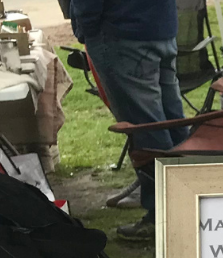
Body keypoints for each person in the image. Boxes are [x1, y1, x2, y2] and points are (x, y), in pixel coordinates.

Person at [69, 0, 185, 242]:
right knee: (171, 123)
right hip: (159, 27)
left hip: (123, 33)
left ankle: (164, 217)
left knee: (146, 129)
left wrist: (86, 28)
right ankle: (188, 205)